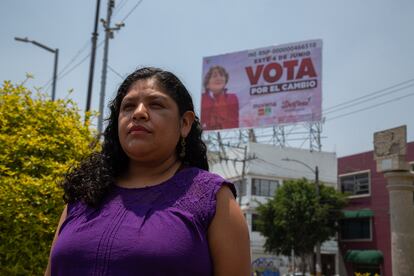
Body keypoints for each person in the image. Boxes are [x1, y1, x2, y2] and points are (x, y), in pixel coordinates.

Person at [45, 67, 250, 275]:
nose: (139, 113)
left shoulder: (213, 199)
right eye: (128, 106)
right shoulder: (85, 193)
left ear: (185, 123)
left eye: (156, 104)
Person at [201, 66, 239, 130]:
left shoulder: (232, 98)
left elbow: (234, 123)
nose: (218, 78)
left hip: (227, 134)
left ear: (225, 81)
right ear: (207, 84)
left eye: (221, 75)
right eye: (214, 76)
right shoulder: (202, 99)